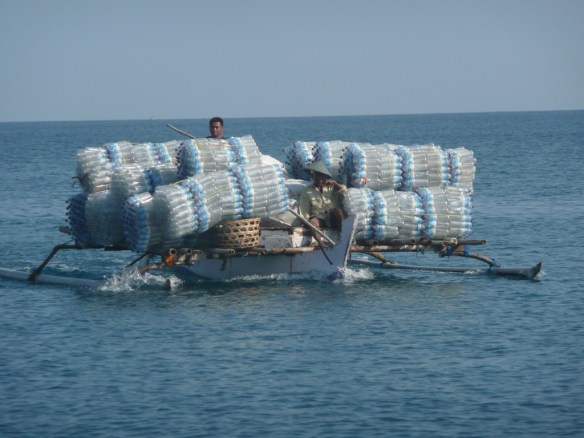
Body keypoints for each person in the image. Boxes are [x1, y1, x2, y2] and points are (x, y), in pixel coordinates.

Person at [299, 161, 347, 244]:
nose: (321, 180)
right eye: (318, 177)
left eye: (323, 177)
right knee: (312, 222)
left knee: (337, 211)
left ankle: (344, 238)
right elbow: (304, 211)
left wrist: (335, 183)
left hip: (333, 218)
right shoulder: (307, 191)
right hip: (320, 218)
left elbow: (346, 193)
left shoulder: (332, 187)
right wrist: (306, 222)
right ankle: (321, 244)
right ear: (313, 177)